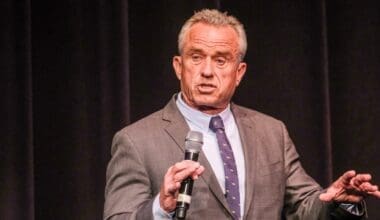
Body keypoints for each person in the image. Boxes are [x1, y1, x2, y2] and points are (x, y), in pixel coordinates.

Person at [103, 9, 380, 220]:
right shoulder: (136, 141)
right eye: (196, 57)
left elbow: (303, 206)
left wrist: (337, 201)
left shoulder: (272, 132)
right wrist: (160, 208)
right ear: (179, 66)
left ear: (239, 73)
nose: (207, 71)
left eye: (221, 60)